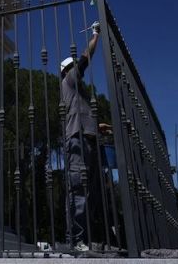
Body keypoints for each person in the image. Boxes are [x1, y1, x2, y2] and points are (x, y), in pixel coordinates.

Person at [60, 21, 105, 253]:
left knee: (90, 194)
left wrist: (100, 127)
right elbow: (86, 58)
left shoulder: (79, 93)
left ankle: (85, 238)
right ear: (67, 71)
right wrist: (95, 35)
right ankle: (75, 239)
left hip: (87, 138)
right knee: (78, 191)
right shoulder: (69, 81)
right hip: (77, 138)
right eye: (74, 68)